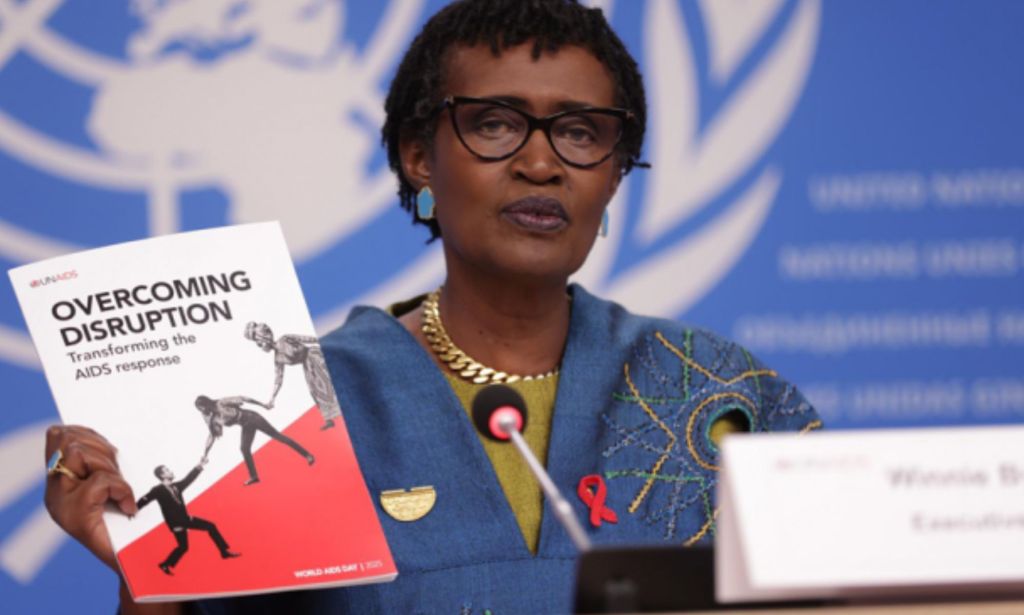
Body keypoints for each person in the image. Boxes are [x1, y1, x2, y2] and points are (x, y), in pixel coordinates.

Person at [42, 1, 821, 613]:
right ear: (419, 156)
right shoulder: (322, 400)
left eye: (582, 134)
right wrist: (149, 571)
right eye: (495, 124)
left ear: (615, 174)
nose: (541, 162)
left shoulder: (714, 392)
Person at [136, 460, 240, 575]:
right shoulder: (157, 490)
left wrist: (200, 465)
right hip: (178, 521)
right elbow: (145, 499)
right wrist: (134, 509)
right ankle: (224, 552)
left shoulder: (176, 486)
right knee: (211, 526)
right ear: (162, 475)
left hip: (182, 520)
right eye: (167, 470)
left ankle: (165, 564)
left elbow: (189, 479)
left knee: (183, 547)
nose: (171, 471)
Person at [195, 394, 315, 486]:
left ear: (207, 403)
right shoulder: (210, 417)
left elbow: (244, 398)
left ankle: (307, 455)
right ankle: (254, 476)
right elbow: (212, 435)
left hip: (253, 418)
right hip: (245, 425)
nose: (202, 411)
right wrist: (205, 454)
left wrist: (263, 405)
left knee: (278, 437)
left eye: (202, 408)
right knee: (244, 449)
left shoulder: (221, 402)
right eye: (200, 410)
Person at [242, 321, 342, 430]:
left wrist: (325, 341)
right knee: (315, 391)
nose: (261, 347)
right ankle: (328, 419)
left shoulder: (285, 338)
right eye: (260, 345)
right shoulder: (278, 359)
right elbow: (278, 380)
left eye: (261, 343)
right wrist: (272, 399)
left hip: (315, 356)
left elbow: (305, 338)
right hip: (307, 366)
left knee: (330, 378)